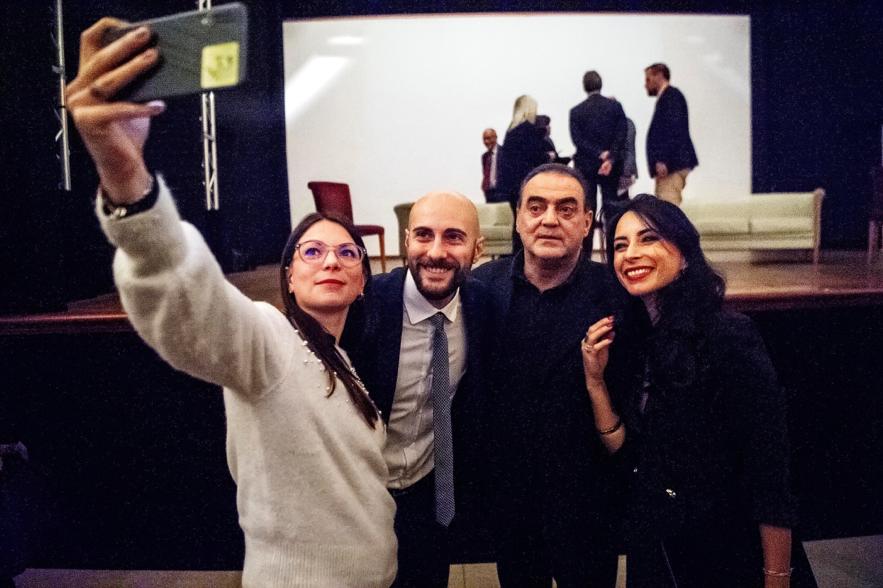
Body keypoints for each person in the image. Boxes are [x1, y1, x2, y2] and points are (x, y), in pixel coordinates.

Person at [66, 18, 396, 587]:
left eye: (348, 253)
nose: (332, 261)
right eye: (313, 251)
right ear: (288, 276)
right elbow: (192, 308)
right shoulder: (269, 342)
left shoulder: (344, 366)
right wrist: (127, 178)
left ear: (364, 280)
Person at [581, 194, 797, 587]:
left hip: (722, 548)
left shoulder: (727, 336)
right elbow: (630, 457)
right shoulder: (634, 340)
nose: (631, 254)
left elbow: (769, 468)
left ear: (684, 254)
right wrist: (595, 382)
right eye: (620, 245)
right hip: (658, 548)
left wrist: (778, 576)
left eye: (649, 238)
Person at [474, 163, 623, 587]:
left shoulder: (617, 295)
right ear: (518, 218)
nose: (550, 219)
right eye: (536, 207)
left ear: (587, 222)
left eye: (566, 208)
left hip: (589, 501)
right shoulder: (481, 289)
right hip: (511, 500)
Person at [342, 192, 491, 587]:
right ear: (406, 241)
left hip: (432, 497)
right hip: (359, 495)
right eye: (424, 235)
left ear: (478, 249)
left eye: (454, 237)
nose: (436, 252)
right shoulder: (363, 306)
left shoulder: (481, 306)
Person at [569, 70, 628, 219]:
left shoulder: (576, 111)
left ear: (584, 86)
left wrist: (598, 153)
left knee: (588, 206)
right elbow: (621, 135)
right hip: (611, 165)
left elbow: (578, 141)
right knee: (612, 206)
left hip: (586, 165)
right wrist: (610, 156)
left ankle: (588, 235)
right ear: (601, 84)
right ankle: (612, 234)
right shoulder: (615, 107)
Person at [496, 95, 551, 253]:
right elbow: (536, 156)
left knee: (519, 223)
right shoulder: (529, 130)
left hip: (513, 187)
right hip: (527, 184)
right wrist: (548, 156)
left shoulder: (511, 131)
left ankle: (517, 255)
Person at [644, 63, 699, 205]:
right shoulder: (668, 98)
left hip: (671, 167)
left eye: (648, 79)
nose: (645, 85)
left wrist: (663, 160)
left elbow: (673, 128)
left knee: (668, 209)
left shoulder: (671, 97)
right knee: (665, 208)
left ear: (659, 76)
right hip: (670, 165)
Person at [481, 128, 504, 203]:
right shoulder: (484, 157)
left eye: (488, 138)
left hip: (502, 193)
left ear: (495, 138)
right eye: (484, 139)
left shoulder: (504, 153)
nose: (486, 141)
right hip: (489, 194)